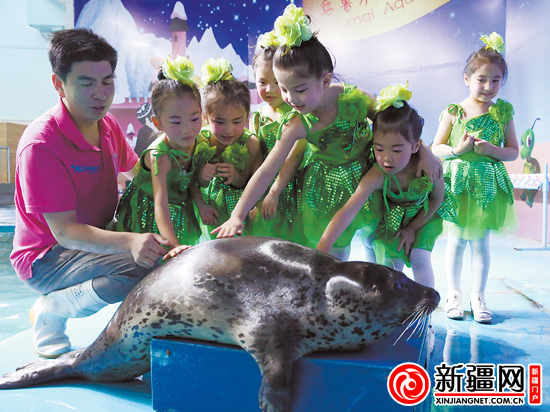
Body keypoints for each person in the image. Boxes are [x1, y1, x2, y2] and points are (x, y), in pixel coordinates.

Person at [213, 4, 441, 261]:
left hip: (367, 174)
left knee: (373, 237)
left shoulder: (351, 97)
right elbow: (267, 169)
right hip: (326, 188)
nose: (289, 98)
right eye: (284, 88)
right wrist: (238, 215)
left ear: (324, 80)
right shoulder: (298, 124)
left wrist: (424, 152)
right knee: (334, 249)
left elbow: (396, 123)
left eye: (299, 89)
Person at [10, 28, 171, 358]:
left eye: (107, 81)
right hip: (46, 257)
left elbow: (138, 173)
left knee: (166, 258)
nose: (101, 94)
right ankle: (52, 310)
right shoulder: (42, 144)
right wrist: (130, 241)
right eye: (86, 83)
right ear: (59, 84)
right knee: (144, 269)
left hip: (90, 242)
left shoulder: (107, 125)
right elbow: (65, 232)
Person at [317, 84, 456, 288]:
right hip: (392, 220)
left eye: (397, 150)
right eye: (379, 149)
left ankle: (425, 312)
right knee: (391, 266)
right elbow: (349, 209)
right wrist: (324, 245)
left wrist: (412, 228)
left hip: (425, 217)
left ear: (416, 146)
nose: (386, 159)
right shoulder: (377, 174)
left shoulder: (429, 168)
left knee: (419, 258)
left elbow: (437, 199)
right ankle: (392, 310)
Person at [432, 33, 518, 324]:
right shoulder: (454, 111)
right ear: (467, 79)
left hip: (487, 185)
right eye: (482, 79)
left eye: (496, 80)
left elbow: (513, 152)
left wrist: (493, 150)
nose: (488, 86)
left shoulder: (502, 113)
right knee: (455, 242)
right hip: (459, 184)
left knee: (481, 243)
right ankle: (453, 293)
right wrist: (459, 150)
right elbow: (436, 148)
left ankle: (478, 296)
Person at [115, 55, 209, 251]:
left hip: (179, 208)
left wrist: (201, 204)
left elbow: (188, 178)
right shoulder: (160, 156)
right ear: (157, 122)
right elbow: (161, 204)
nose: (187, 129)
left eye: (194, 119)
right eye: (176, 122)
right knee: (156, 262)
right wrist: (174, 245)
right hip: (149, 212)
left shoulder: (197, 141)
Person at [249, 40, 308, 244]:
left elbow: (294, 157)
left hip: (293, 187)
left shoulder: (296, 113)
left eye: (277, 83)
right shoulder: (256, 116)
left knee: (296, 242)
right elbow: (255, 159)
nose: (270, 89)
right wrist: (256, 199)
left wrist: (275, 192)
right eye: (262, 82)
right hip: (265, 187)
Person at [195, 57, 261, 239]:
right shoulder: (200, 140)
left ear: (247, 116)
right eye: (219, 121)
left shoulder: (251, 143)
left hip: (239, 212)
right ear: (206, 117)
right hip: (208, 212)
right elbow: (191, 184)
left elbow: (248, 183)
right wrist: (201, 176)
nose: (229, 129)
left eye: (237, 121)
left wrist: (236, 177)